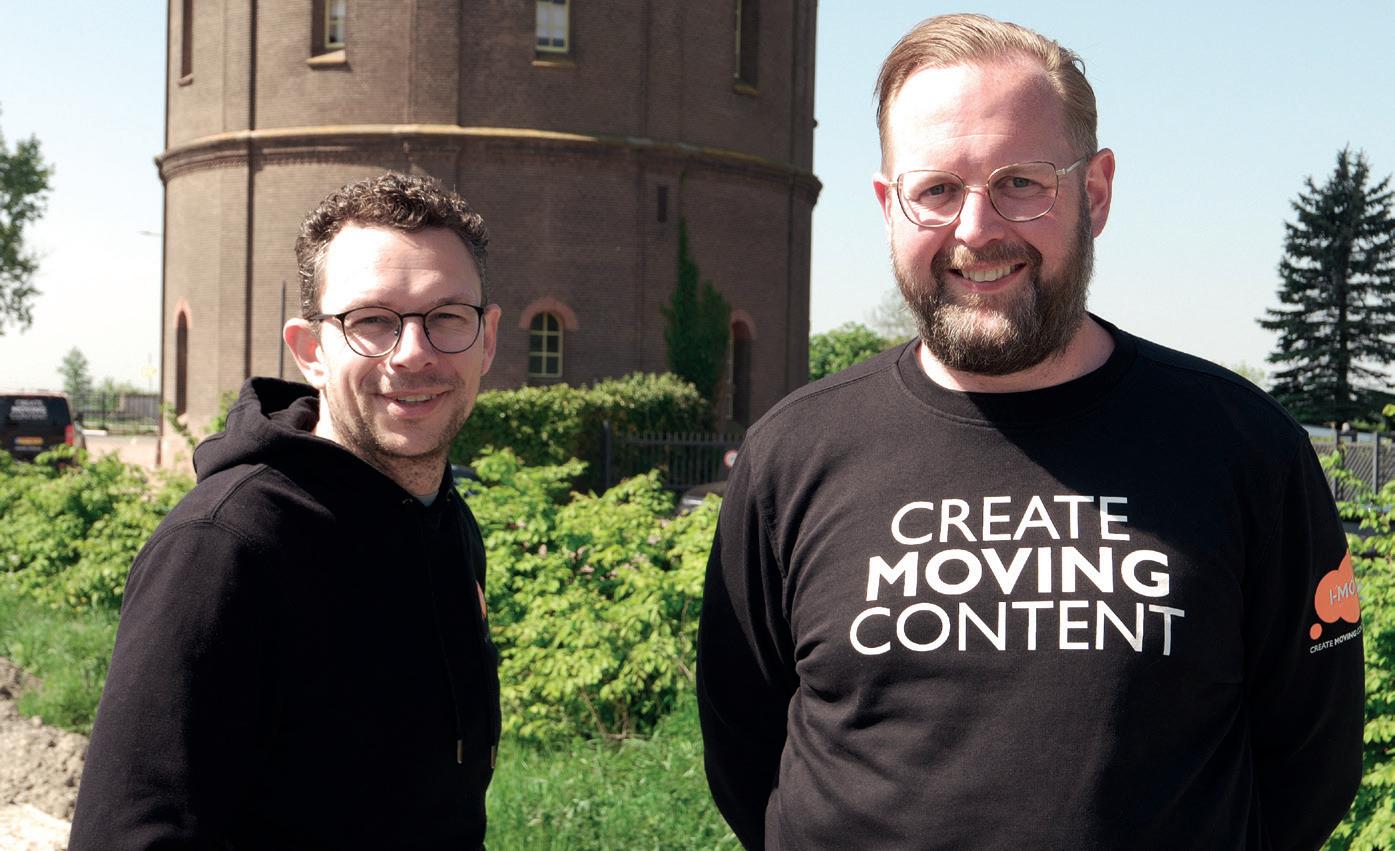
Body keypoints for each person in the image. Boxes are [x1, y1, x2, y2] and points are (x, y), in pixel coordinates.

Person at [697, 14, 1364, 850]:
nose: (976, 229)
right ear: (887, 206)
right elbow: (745, 751)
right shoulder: (791, 457)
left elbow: (1311, 759)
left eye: (1020, 181)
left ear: (1095, 193)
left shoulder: (1242, 447)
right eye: (936, 189)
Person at [70, 173, 503, 849]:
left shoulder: (445, 522)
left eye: (446, 316)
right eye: (371, 321)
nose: (413, 353)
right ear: (310, 352)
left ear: (487, 339)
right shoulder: (223, 547)